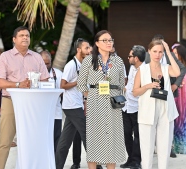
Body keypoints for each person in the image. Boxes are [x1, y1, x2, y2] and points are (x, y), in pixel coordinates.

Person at [0, 26, 50, 169]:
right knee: (5, 141)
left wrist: (35, 84)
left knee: (32, 141)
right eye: (22, 35)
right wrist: (19, 84)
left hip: (33, 103)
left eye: (27, 36)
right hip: (11, 101)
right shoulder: (5, 56)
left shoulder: (36, 57)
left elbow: (45, 80)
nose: (25, 38)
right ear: (14, 39)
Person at [77, 30, 126, 169]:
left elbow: (122, 83)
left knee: (113, 138)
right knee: (94, 138)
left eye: (111, 40)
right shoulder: (88, 60)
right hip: (95, 102)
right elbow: (81, 84)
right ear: (97, 43)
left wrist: (113, 91)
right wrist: (91, 96)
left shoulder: (118, 60)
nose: (109, 43)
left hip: (113, 103)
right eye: (105, 40)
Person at [133, 40, 180, 169]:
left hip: (165, 110)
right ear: (149, 51)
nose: (157, 54)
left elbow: (177, 73)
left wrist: (169, 53)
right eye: (155, 51)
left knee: (164, 147)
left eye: (160, 52)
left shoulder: (166, 68)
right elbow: (135, 92)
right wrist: (148, 86)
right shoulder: (142, 69)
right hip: (147, 111)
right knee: (146, 148)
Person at [144, 34, 186, 158]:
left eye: (160, 46)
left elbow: (182, 69)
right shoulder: (147, 57)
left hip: (169, 94)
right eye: (154, 48)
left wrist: (176, 85)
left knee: (168, 121)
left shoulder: (170, 56)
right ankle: (153, 147)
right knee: (152, 121)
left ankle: (169, 147)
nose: (157, 52)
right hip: (151, 94)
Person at [55, 38, 90, 169]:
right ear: (79, 49)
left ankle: (57, 165)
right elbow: (62, 85)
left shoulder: (83, 65)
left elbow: (83, 89)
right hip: (71, 106)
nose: (89, 51)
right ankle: (96, 164)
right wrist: (78, 81)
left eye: (89, 48)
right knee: (87, 133)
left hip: (78, 104)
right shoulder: (71, 65)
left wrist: (86, 102)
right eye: (86, 48)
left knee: (66, 139)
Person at [120, 45, 145, 169]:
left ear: (136, 58)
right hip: (126, 107)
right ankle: (130, 159)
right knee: (126, 134)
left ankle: (136, 161)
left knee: (138, 136)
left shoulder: (145, 70)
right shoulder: (131, 68)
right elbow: (129, 86)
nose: (128, 57)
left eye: (130, 56)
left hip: (138, 108)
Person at [40, 50, 63, 153]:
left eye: (47, 63)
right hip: (39, 114)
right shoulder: (34, 74)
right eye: (43, 63)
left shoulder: (58, 74)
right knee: (42, 140)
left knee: (56, 139)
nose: (45, 65)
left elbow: (64, 92)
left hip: (55, 113)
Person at [172, 44, 186, 154]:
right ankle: (176, 147)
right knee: (176, 122)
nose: (173, 55)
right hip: (176, 98)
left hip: (184, 99)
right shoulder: (171, 67)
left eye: (175, 53)